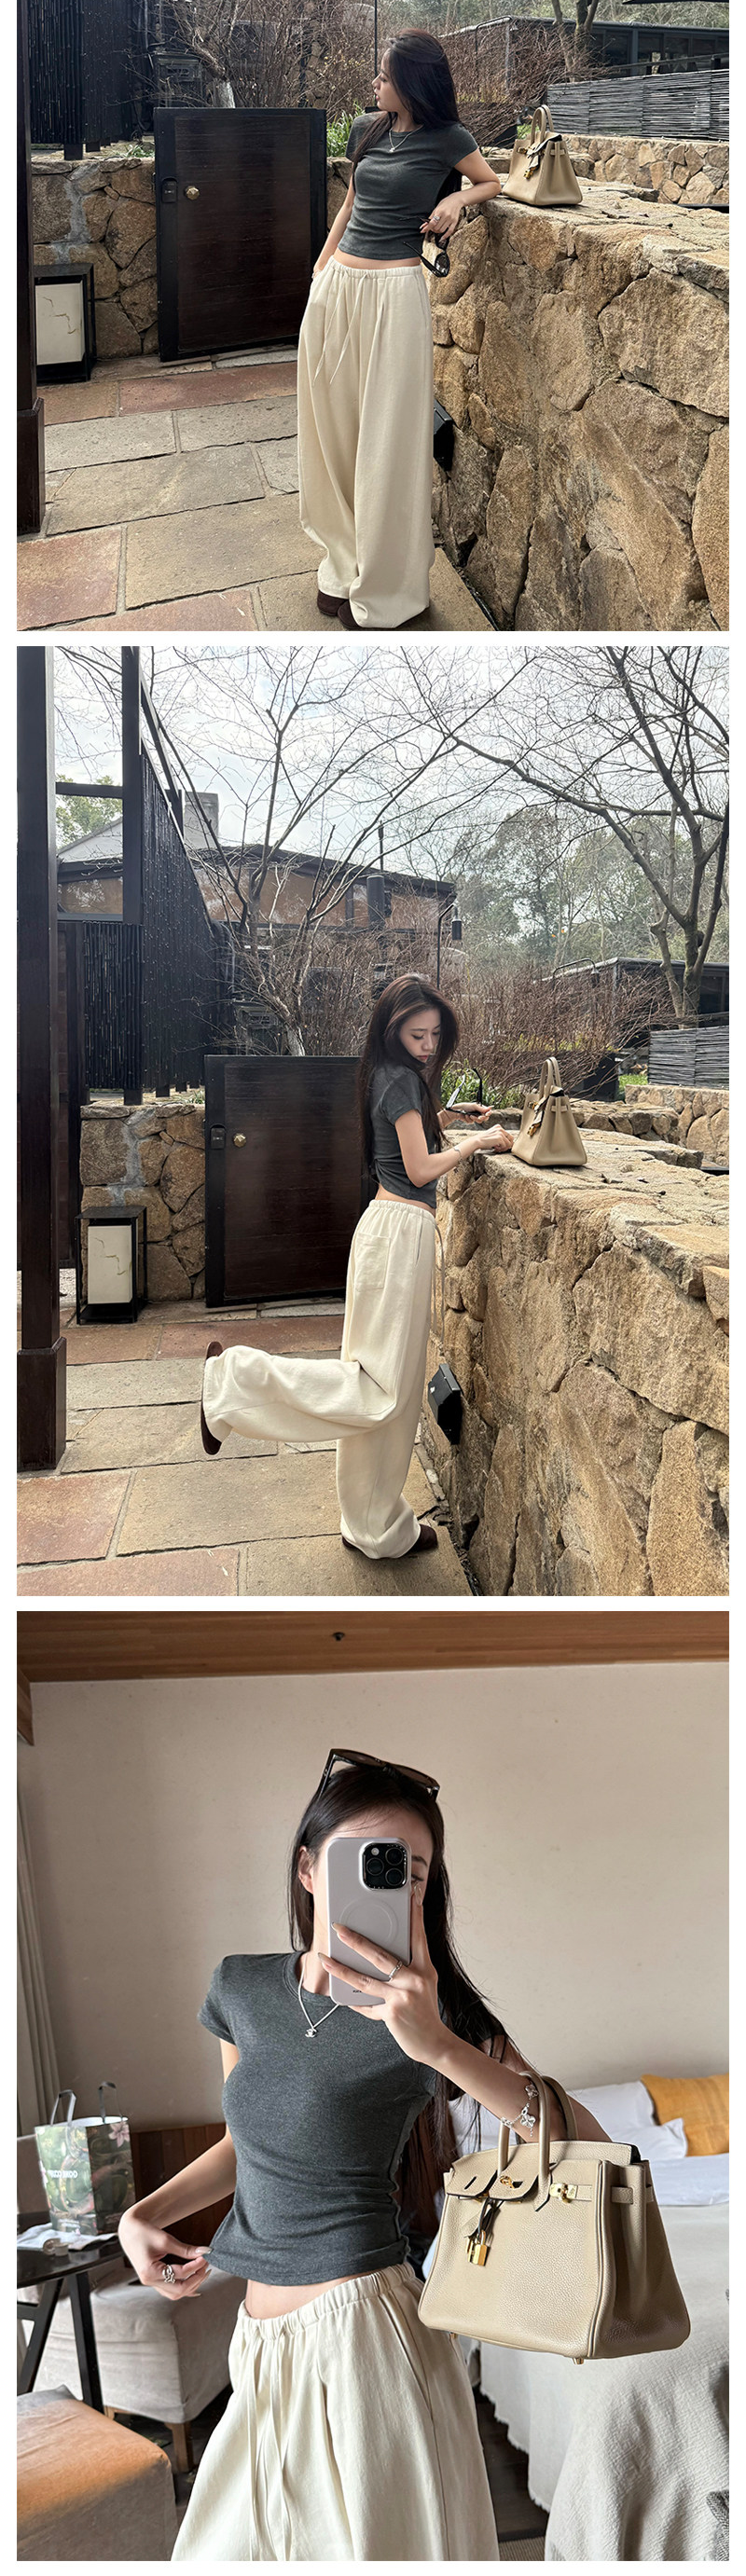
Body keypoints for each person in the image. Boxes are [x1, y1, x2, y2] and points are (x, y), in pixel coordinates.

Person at [118, 1746, 607, 2561]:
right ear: (309, 1868)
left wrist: (439, 2045)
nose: (395, 1882)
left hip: (366, 2338)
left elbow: (584, 2143)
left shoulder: (437, 2016)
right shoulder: (240, 1988)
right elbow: (249, 2140)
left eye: (412, 1872)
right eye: (368, 1861)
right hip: (259, 2346)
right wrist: (145, 2212)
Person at [200, 973, 513, 1563]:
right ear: (393, 1031)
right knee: (383, 1391)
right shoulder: (401, 1079)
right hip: (401, 1234)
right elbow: (419, 1170)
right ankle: (233, 1381)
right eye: (417, 1035)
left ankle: (371, 1524)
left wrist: (450, 1117)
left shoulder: (388, 1075)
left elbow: (403, 1137)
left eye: (435, 1034)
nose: (428, 1045)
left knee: (374, 1380)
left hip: (383, 1229)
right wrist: (478, 1142)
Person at [297, 31, 502, 630]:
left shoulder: (449, 138)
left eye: (384, 77)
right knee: (333, 430)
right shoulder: (367, 129)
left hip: (395, 295)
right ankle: (344, 561)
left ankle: (387, 584)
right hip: (339, 288)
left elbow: (492, 181)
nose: (375, 84)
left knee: (388, 439)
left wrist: (457, 201)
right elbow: (350, 205)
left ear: (411, 83)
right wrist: (320, 271)